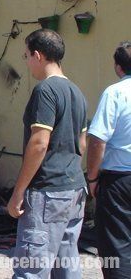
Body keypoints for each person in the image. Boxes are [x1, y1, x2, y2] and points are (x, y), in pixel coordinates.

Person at [7, 29, 88, 278]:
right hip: (74, 189)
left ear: (38, 55)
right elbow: (82, 144)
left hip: (47, 194)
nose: (27, 62)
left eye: (26, 55)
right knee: (66, 265)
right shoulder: (77, 93)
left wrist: (18, 192)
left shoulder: (45, 91)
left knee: (31, 269)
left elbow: (39, 143)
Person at [86, 42, 131, 278]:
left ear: (118, 67)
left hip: (119, 181)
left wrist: (92, 178)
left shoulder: (115, 93)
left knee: (117, 246)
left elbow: (97, 141)